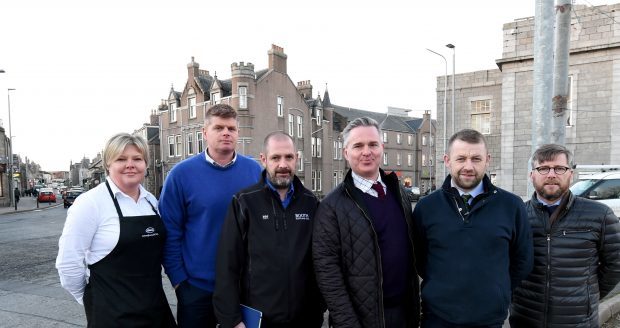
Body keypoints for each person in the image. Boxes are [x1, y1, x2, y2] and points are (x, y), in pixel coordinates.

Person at [412, 129, 533, 327]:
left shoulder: (511, 205)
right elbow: (419, 259)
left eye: (476, 159)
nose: (468, 166)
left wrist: (496, 290)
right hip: (436, 318)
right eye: (461, 158)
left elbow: (522, 260)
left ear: (487, 160)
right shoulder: (426, 207)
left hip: (490, 320)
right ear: (447, 160)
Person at [56, 133, 176, 327]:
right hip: (111, 316)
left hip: (155, 311)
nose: (130, 164)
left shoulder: (151, 202)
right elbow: (68, 264)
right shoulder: (90, 203)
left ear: (145, 164)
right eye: (121, 159)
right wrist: (92, 300)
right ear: (108, 165)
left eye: (137, 159)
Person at [160, 104, 262, 327]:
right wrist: (180, 283)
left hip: (244, 289)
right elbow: (169, 233)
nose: (226, 133)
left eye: (232, 128)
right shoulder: (180, 175)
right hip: (197, 290)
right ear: (205, 133)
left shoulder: (255, 172)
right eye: (219, 127)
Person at [313, 117, 419, 328]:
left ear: (382, 147)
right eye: (358, 146)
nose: (366, 151)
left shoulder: (399, 194)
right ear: (345, 153)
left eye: (373, 144)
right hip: (361, 321)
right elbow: (328, 274)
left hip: (404, 315)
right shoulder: (331, 206)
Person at [213, 131, 324, 328]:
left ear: (296, 158)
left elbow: (321, 262)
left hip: (305, 319)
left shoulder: (311, 203)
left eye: (289, 157)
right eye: (275, 157)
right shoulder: (244, 202)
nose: (283, 165)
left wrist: (318, 309)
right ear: (264, 160)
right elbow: (227, 265)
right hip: (258, 321)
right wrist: (232, 320)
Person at [510, 144, 620, 327]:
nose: (551, 174)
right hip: (525, 318)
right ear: (532, 176)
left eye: (559, 168)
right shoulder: (517, 215)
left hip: (577, 321)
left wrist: (585, 297)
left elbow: (615, 264)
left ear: (571, 174)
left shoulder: (599, 214)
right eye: (543, 168)